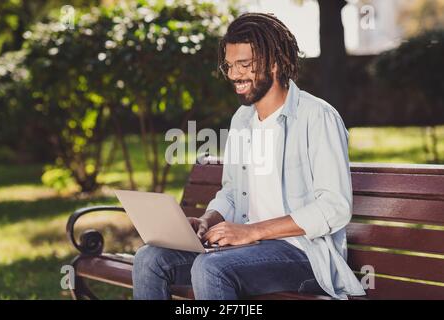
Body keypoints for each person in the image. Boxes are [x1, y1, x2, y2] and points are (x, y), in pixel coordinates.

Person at [133, 12, 366, 300]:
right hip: (248, 252)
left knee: (211, 268)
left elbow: (334, 207)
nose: (233, 75)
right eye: (229, 65)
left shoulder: (317, 117)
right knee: (150, 259)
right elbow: (232, 192)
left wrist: (252, 231)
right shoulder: (242, 119)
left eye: (244, 65)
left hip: (304, 254)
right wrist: (208, 220)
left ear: (276, 63)